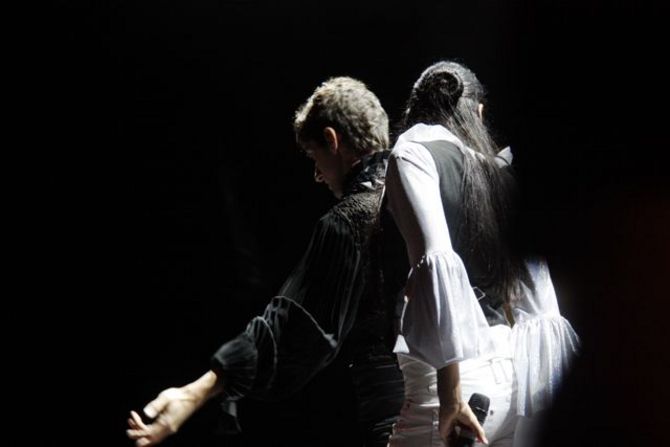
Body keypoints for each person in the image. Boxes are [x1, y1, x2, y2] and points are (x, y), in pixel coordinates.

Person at [126, 77, 404, 447]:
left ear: (332, 140)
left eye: (314, 157)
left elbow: (294, 328)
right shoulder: (423, 199)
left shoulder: (350, 219)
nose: (317, 175)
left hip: (396, 419)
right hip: (462, 400)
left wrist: (197, 391)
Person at [383, 61, 579, 446]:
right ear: (479, 113)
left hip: (452, 385)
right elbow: (541, 304)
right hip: (511, 379)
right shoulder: (497, 172)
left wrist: (451, 396)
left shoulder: (413, 153)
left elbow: (436, 261)